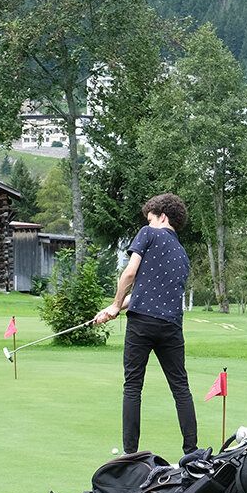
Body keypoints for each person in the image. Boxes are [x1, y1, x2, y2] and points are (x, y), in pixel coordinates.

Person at [93, 194, 198, 456]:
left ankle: (130, 455)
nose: (148, 223)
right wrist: (114, 307)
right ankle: (191, 450)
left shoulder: (148, 234)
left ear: (162, 216)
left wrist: (116, 304)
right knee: (180, 387)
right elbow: (147, 290)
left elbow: (129, 274)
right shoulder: (183, 255)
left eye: (151, 219)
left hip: (142, 323)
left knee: (133, 386)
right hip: (171, 326)